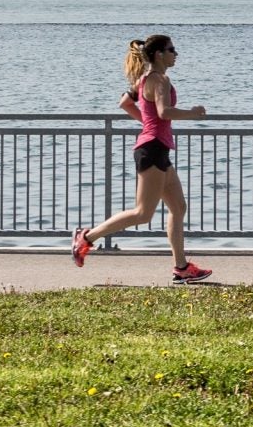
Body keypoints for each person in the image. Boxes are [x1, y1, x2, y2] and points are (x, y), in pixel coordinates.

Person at [72, 33, 212, 282]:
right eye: (171, 49)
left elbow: (125, 103)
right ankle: (87, 238)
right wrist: (191, 113)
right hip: (152, 149)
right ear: (159, 54)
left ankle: (181, 268)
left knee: (178, 207)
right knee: (143, 213)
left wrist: (148, 124)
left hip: (157, 148)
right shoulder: (160, 80)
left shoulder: (143, 80)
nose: (175, 53)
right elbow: (163, 111)